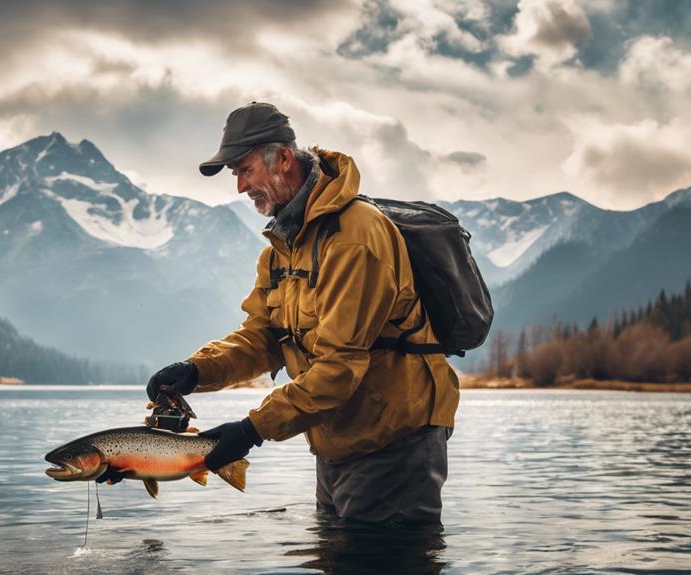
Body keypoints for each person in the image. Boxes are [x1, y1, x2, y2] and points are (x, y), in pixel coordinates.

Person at [127, 101, 459, 524]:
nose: (240, 187)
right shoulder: (285, 246)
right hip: (339, 439)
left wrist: (250, 431)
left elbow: (338, 368)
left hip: (394, 442)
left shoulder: (354, 240)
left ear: (283, 159)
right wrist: (196, 371)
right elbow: (263, 336)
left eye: (245, 171)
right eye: (235, 175)